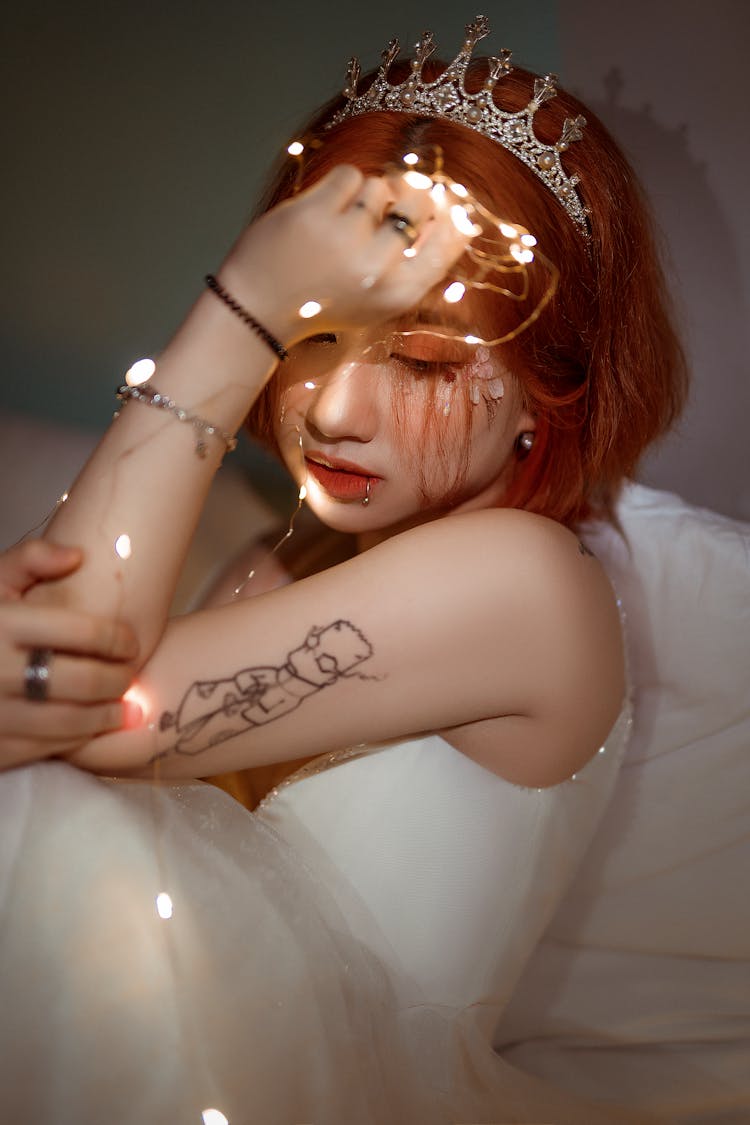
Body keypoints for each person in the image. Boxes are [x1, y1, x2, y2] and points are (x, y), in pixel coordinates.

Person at [0, 17, 686, 1124]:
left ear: (548, 389)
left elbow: (72, 705)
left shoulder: (527, 583)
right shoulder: (292, 556)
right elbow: (57, 677)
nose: (331, 407)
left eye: (418, 361)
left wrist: (241, 312)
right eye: (310, 338)